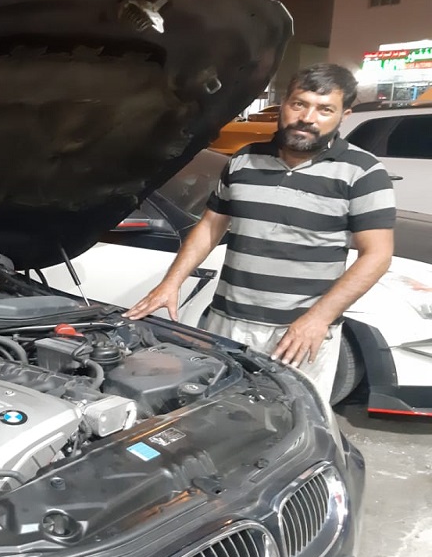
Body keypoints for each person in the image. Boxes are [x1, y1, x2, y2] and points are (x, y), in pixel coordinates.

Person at [124, 63, 396, 401]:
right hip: (227, 322)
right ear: (284, 105)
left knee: (289, 416)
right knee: (217, 410)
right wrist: (172, 282)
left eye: (324, 109)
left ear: (344, 115)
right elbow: (211, 224)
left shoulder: (363, 172)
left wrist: (318, 319)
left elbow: (377, 255)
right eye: (299, 104)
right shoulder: (244, 160)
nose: (307, 118)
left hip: (298, 331)